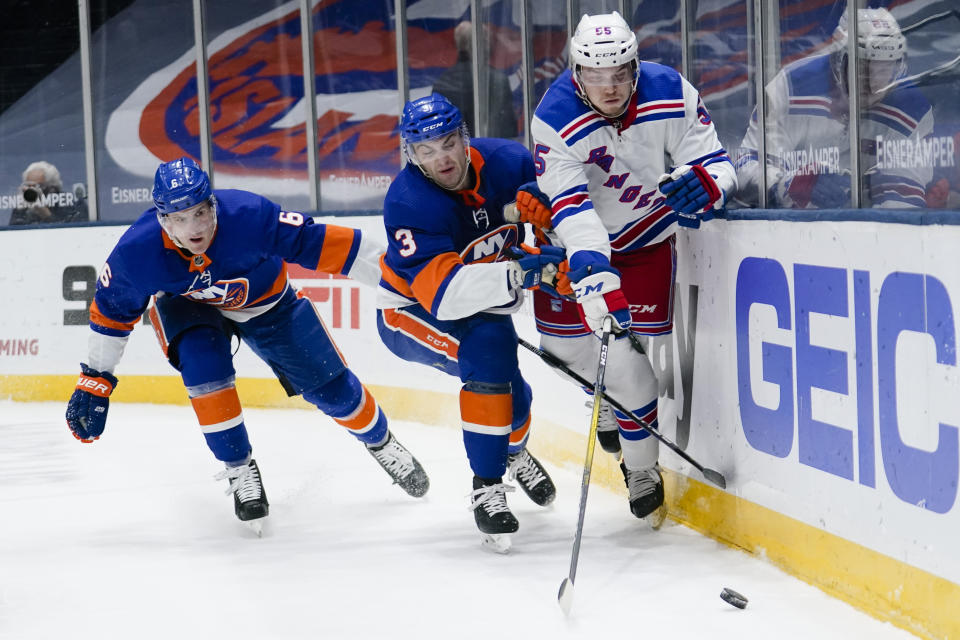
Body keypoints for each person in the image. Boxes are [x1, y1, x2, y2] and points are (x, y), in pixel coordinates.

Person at [64, 157, 429, 532]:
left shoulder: (249, 214)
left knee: (332, 390)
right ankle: (239, 469)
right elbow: (111, 314)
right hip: (189, 308)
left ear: (213, 204)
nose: (195, 227)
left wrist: (403, 279)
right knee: (203, 365)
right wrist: (96, 380)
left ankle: (381, 442)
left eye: (200, 212)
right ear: (163, 220)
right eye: (180, 218)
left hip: (269, 303)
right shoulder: (135, 254)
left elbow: (324, 245)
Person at [520, 11, 737, 524]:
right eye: (596, 75)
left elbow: (718, 161)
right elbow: (574, 213)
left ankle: (640, 467)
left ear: (635, 65)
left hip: (644, 240)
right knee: (568, 348)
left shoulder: (670, 91)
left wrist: (711, 184)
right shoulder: (554, 118)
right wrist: (595, 277)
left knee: (629, 360)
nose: (610, 86)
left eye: (619, 73)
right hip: (572, 248)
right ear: (577, 72)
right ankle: (609, 400)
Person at [376, 93, 562, 552]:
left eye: (446, 143)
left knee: (517, 399)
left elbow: (556, 220)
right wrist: (523, 272)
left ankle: (513, 452)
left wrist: (557, 245)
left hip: (483, 306)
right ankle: (487, 488)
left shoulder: (510, 162)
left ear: (464, 138)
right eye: (425, 150)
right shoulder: (409, 202)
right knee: (490, 354)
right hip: (410, 313)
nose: (440, 158)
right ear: (410, 155)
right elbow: (443, 295)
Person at [736, 8, 933, 209]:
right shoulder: (791, 86)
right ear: (838, 59)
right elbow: (747, 167)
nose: (874, 84)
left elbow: (903, 201)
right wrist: (789, 184)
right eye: (863, 68)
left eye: (884, 69)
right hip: (791, 230)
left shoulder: (913, 109)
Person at [432, 21, 518, 139]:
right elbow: (507, 130)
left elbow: (439, 132)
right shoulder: (497, 80)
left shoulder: (442, 82)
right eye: (487, 41)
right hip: (490, 151)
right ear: (480, 45)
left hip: (458, 153)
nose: (490, 45)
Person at [9, 160, 87, 225]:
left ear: (52, 188)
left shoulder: (71, 203)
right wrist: (20, 210)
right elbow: (12, 232)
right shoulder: (24, 205)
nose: (31, 190)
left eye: (37, 186)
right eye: (28, 186)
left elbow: (74, 233)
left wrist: (46, 214)